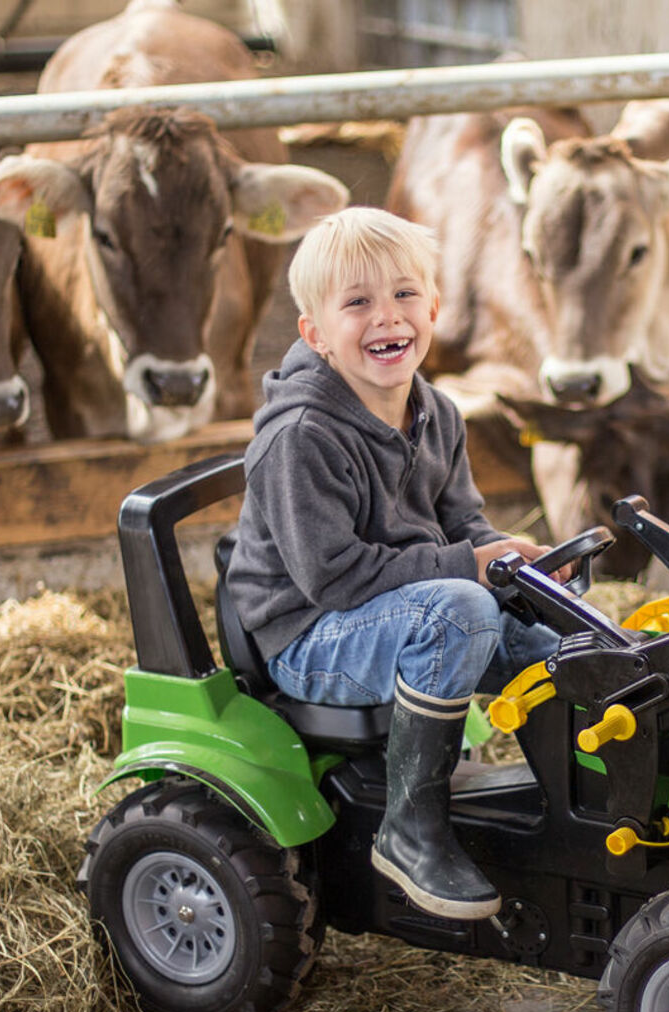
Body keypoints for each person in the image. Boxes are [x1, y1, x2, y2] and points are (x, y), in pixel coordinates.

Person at [226, 207, 560, 920]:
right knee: (463, 612)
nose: (388, 317)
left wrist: (518, 567)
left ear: (434, 306)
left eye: (405, 294)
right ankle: (410, 829)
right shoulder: (302, 438)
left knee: (551, 636)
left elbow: (462, 524)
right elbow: (336, 577)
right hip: (314, 634)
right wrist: (472, 567)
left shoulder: (436, 411)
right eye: (358, 302)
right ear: (315, 333)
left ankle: (575, 810)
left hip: (401, 606)